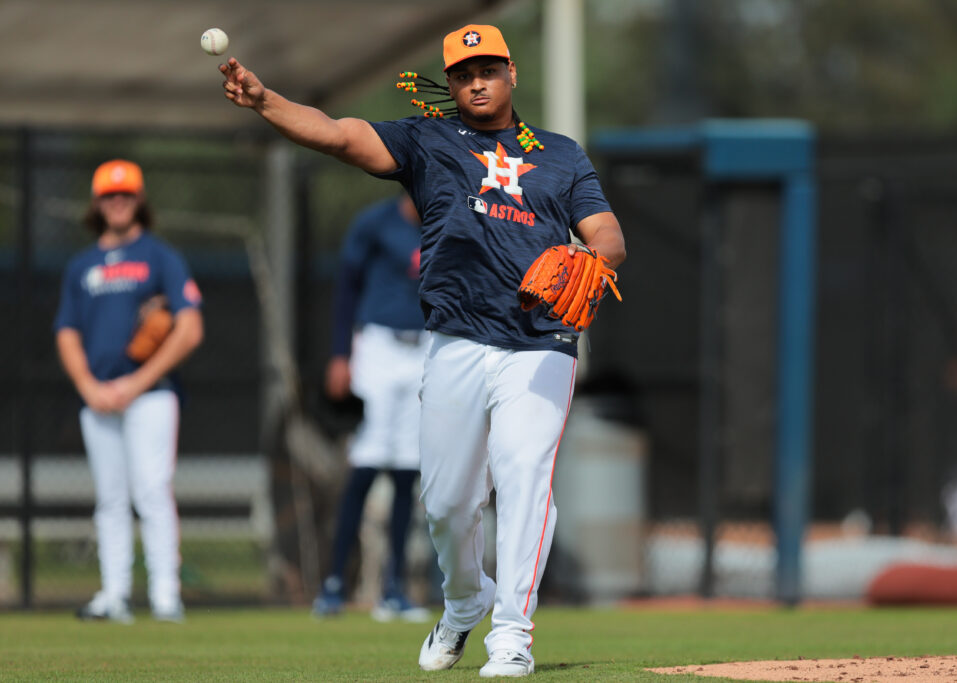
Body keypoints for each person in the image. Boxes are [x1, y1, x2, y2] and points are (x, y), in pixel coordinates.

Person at [219, 23, 625, 677]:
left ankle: (512, 635)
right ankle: (466, 601)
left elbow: (607, 232)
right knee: (445, 503)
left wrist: (593, 255)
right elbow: (338, 132)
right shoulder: (428, 138)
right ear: (451, 83)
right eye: (464, 73)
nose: (477, 81)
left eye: (488, 68)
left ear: (511, 73)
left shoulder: (560, 153)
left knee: (524, 474)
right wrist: (267, 102)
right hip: (456, 340)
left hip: (539, 342)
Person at [54, 160, 204, 623]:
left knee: (152, 491)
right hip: (98, 397)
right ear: (97, 203)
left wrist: (137, 381)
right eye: (109, 195)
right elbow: (67, 333)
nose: (117, 202)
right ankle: (114, 594)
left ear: (139, 199)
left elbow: (190, 326)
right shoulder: (82, 265)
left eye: (125, 194)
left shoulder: (160, 256)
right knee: (111, 498)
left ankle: (165, 596)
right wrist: (88, 386)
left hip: (152, 393)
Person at [311, 192, 431, 623]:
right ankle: (334, 585)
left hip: (424, 348)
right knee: (365, 463)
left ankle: (394, 588)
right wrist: (340, 353)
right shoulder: (375, 222)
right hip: (377, 345)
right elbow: (346, 288)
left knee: (406, 471)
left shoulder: (448, 218)